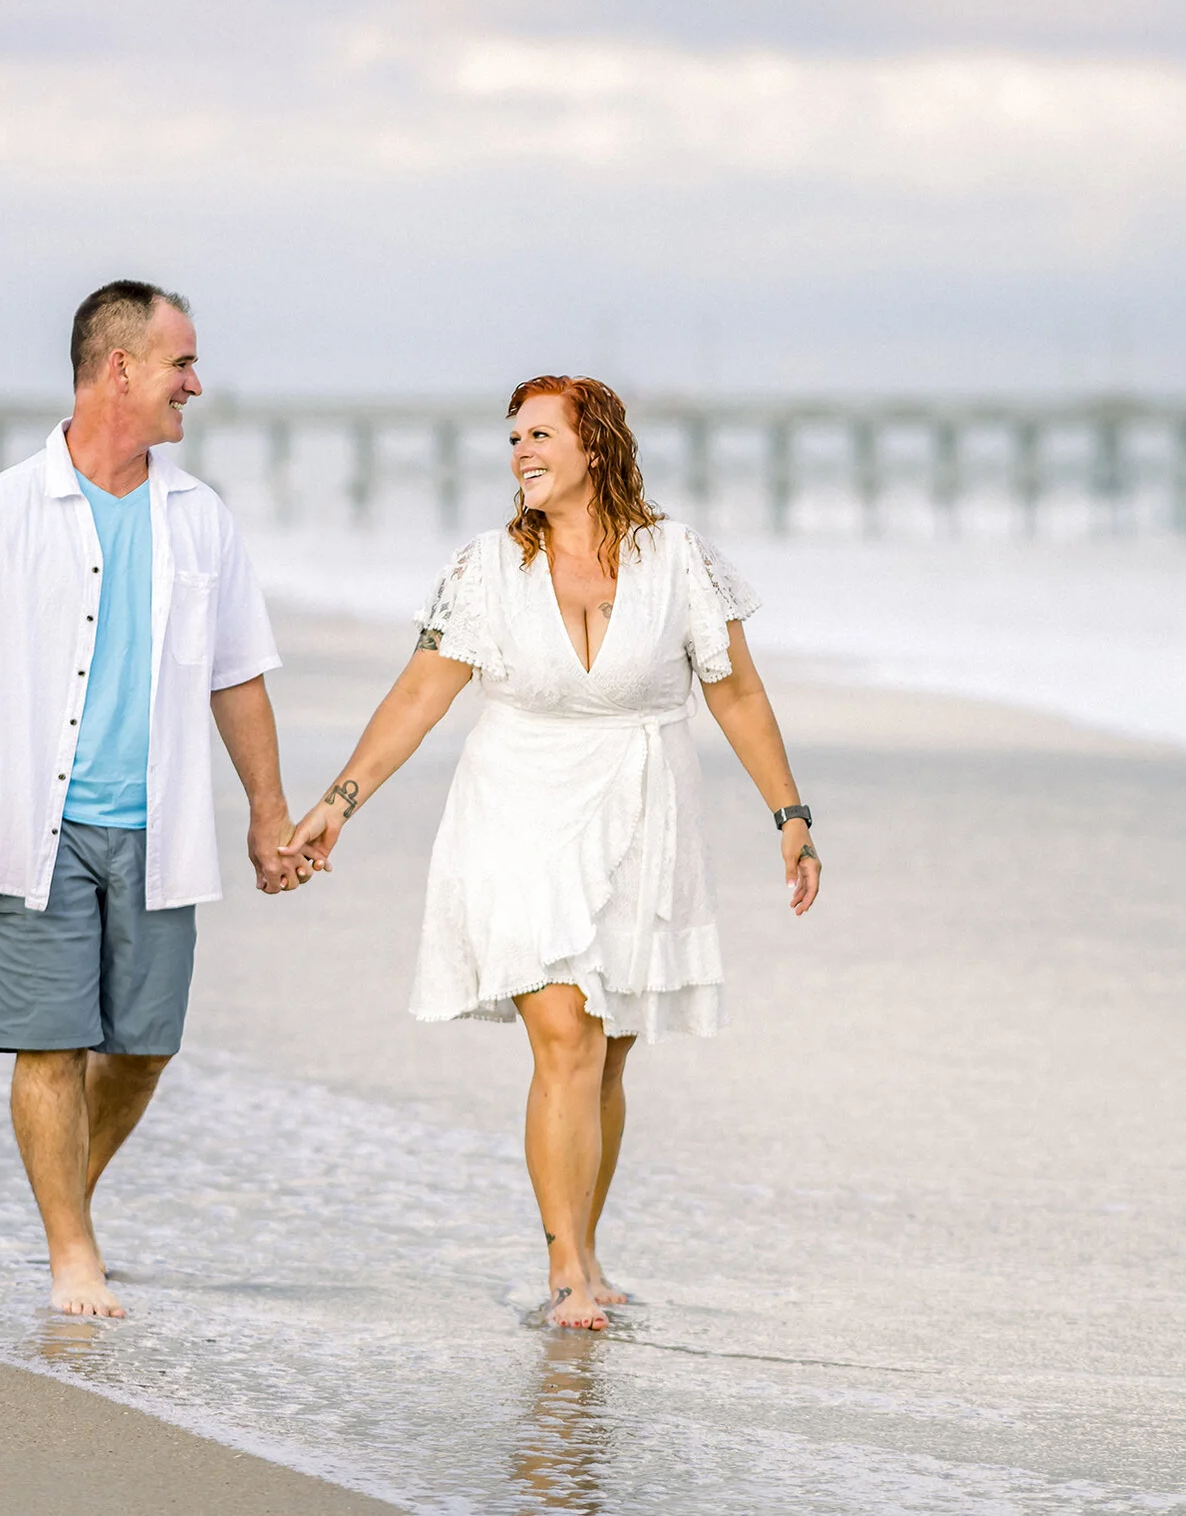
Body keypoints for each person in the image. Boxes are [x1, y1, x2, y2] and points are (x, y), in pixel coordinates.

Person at [279, 375, 821, 1330]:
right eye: (514, 436)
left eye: (541, 434)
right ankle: (565, 1263)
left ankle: (586, 1241)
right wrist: (340, 801)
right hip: (517, 812)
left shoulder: (680, 560)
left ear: (595, 444)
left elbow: (736, 692)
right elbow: (418, 695)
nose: (522, 451)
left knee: (608, 1053)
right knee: (565, 1036)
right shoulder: (488, 568)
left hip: (643, 814)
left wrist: (789, 813)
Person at [0, 280, 301, 1320]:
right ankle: (71, 1248)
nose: (196, 384)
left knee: (143, 1047)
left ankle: (61, 1199)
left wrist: (267, 811)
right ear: (119, 367)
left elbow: (237, 675)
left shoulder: (199, 518)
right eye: (181, 363)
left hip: (159, 831)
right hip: (31, 829)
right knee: (49, 1043)